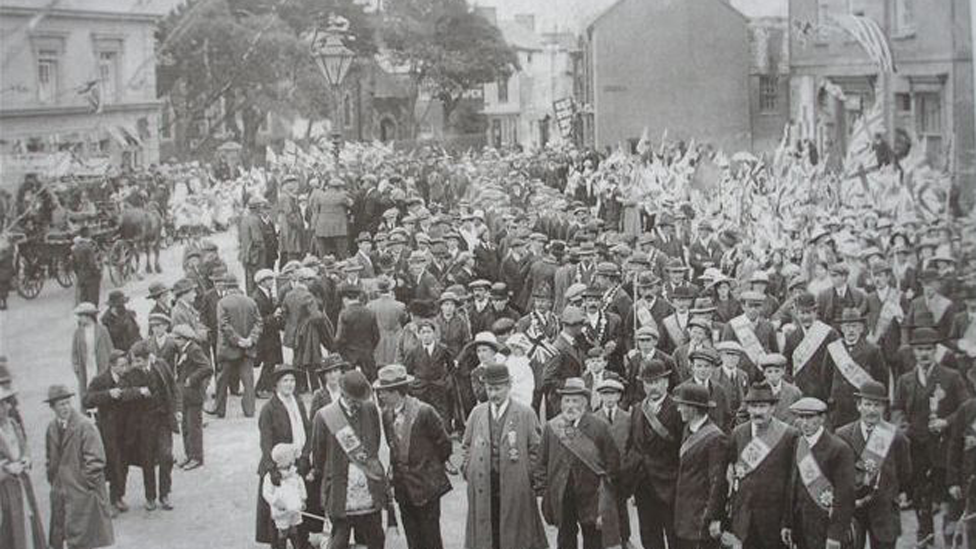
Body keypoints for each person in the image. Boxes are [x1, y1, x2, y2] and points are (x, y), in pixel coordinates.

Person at [891, 326, 970, 548]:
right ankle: (925, 538)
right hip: (916, 448)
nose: (923, 354)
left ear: (935, 350)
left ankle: (950, 539)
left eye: (927, 349)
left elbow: (967, 409)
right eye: (919, 350)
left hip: (944, 449)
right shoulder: (905, 380)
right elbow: (896, 408)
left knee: (947, 499)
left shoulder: (951, 377)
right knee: (920, 497)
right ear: (913, 352)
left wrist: (946, 422)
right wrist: (903, 426)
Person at [461, 363, 548, 549]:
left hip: (516, 487)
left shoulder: (525, 413)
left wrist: (527, 475)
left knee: (514, 535)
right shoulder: (477, 413)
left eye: (498, 388)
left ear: (509, 386)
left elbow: (537, 451)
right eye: (490, 388)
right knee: (486, 532)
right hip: (484, 485)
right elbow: (466, 445)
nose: (493, 394)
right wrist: (468, 468)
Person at [374, 364, 453, 549]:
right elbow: (392, 447)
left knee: (430, 537)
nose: (380, 396)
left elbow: (444, 444)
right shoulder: (386, 414)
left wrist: (429, 467)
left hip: (426, 486)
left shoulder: (424, 411)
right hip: (403, 488)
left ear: (396, 392)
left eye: (383, 391)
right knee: (413, 537)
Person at [539, 377, 622, 549]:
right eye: (566, 400)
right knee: (565, 538)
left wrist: (606, 494)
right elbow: (541, 463)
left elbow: (613, 462)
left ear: (584, 403)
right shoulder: (551, 427)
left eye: (575, 400)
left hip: (591, 495)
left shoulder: (599, 426)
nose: (570, 405)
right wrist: (544, 492)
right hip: (562, 494)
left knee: (593, 539)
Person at [312, 370, 388, 549]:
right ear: (343, 393)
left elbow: (374, 444)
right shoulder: (324, 416)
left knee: (376, 538)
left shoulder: (370, 409)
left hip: (368, 487)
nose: (357, 403)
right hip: (340, 489)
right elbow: (319, 456)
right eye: (353, 398)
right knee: (339, 541)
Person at [835, 380, 912, 549]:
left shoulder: (896, 437)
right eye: (867, 404)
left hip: (884, 509)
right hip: (853, 508)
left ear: (884, 408)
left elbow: (905, 472)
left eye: (877, 405)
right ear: (858, 406)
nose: (871, 410)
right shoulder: (842, 435)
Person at [725, 382, 798, 549]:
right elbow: (731, 470)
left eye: (763, 406)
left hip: (774, 520)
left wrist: (788, 521)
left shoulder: (789, 435)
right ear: (748, 408)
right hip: (744, 519)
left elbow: (791, 482)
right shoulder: (738, 433)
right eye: (753, 406)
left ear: (773, 408)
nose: (758, 412)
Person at [45, 384, 115, 549]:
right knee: (63, 535)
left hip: (83, 493)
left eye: (68, 403)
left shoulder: (85, 426)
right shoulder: (52, 428)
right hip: (61, 491)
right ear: (52, 407)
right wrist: (54, 479)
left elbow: (97, 460)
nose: (65, 408)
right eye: (61, 404)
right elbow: (50, 457)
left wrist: (84, 485)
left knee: (86, 539)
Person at [784, 397, 856, 549]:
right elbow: (792, 487)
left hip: (826, 528)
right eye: (801, 417)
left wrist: (835, 535)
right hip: (800, 525)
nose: (804, 422)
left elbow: (845, 496)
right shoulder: (798, 443)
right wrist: (787, 524)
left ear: (822, 418)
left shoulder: (839, 449)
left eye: (810, 417)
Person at [627, 358, 682, 549]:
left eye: (657, 381)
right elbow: (631, 447)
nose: (653, 387)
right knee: (649, 537)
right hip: (643, 486)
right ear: (643, 385)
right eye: (648, 382)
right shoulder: (635, 410)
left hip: (671, 485)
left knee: (675, 537)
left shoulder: (678, 409)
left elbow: (684, 449)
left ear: (666, 382)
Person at [256, 364, 312, 549]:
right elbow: (266, 443)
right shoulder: (269, 409)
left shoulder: (298, 402)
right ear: (277, 384)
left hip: (298, 464)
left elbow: (307, 428)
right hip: (279, 467)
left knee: (298, 512)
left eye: (292, 380)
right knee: (279, 514)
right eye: (285, 381)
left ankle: (301, 544)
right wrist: (273, 469)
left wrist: (304, 455)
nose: (290, 384)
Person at [672, 383, 728, 549]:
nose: (678, 409)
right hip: (685, 517)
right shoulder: (687, 429)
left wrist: (712, 517)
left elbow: (717, 483)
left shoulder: (715, 438)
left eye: (682, 405)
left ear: (693, 408)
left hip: (700, 519)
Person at [127, 340, 179, 511]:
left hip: (163, 419)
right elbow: (124, 393)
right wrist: (139, 392)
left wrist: (177, 409)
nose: (135, 364)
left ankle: (165, 494)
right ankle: (150, 497)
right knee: (147, 460)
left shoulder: (161, 366)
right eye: (134, 361)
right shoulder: (132, 373)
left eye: (139, 361)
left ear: (148, 357)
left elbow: (172, 386)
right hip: (143, 424)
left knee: (166, 456)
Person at [82, 349, 134, 514]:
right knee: (111, 464)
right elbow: (87, 400)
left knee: (124, 463)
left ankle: (118, 497)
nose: (125, 368)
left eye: (126, 364)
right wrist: (107, 394)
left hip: (126, 428)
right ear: (112, 366)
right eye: (121, 365)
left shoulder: (128, 377)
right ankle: (108, 503)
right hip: (108, 430)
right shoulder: (100, 380)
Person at [824, 307, 888, 428]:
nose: (851, 330)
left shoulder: (873, 350)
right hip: (839, 407)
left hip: (862, 407)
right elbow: (826, 377)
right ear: (842, 329)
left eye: (854, 326)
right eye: (847, 326)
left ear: (861, 328)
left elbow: (881, 379)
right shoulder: (833, 348)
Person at [0, 383, 45, 549]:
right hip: (4, 490)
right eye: (1, 404)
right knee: (9, 526)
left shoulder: (12, 423)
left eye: (5, 402)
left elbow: (24, 445)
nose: (5, 408)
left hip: (22, 483)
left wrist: (26, 458)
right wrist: (6, 468)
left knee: (29, 519)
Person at [214, 274, 263, 418]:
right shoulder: (250, 301)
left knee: (222, 381)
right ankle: (249, 410)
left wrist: (237, 340)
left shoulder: (223, 303)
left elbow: (224, 325)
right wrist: (250, 339)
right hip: (248, 348)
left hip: (229, 349)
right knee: (248, 381)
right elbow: (259, 323)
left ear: (226, 287)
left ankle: (220, 409)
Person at [594, 375, 633, 548]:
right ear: (600, 396)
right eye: (605, 394)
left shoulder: (627, 418)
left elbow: (631, 446)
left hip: (622, 472)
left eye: (613, 394)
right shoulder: (594, 418)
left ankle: (625, 539)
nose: (609, 399)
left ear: (619, 396)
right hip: (602, 473)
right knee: (604, 509)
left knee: (621, 507)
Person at [782, 291, 839, 402]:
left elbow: (837, 366)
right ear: (796, 314)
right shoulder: (792, 337)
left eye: (809, 313)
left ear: (815, 312)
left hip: (823, 393)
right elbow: (787, 367)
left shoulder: (829, 334)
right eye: (802, 313)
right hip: (799, 392)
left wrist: (832, 393)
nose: (805, 317)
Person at [172, 323, 212, 471]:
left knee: (194, 427)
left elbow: (207, 367)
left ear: (183, 338)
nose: (175, 342)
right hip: (185, 395)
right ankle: (189, 455)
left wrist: (192, 378)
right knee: (186, 427)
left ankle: (197, 457)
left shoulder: (194, 349)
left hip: (194, 394)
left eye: (176, 339)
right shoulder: (184, 349)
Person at [402, 318, 453, 422]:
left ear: (434, 333)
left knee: (440, 417)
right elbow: (408, 370)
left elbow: (451, 367)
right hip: (420, 389)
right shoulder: (413, 351)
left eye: (429, 332)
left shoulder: (442, 349)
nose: (426, 335)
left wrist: (444, 381)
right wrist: (414, 384)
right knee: (421, 416)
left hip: (438, 388)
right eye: (423, 332)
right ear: (419, 335)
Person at [261, 443, 307, 549]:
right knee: (283, 531)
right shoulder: (272, 477)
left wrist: (303, 499)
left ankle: (297, 547)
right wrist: (276, 502)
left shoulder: (294, 474)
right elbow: (266, 493)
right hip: (282, 510)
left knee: (294, 528)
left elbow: (301, 486)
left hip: (294, 508)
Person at [543, 306, 587, 417]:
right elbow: (547, 378)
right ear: (573, 326)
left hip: (571, 400)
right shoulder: (558, 347)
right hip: (560, 403)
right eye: (580, 324)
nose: (582, 327)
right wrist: (568, 383)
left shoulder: (574, 342)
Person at [334, 284, 381, 381]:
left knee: (349, 384)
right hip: (367, 355)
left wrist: (340, 351)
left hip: (349, 357)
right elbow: (376, 336)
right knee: (370, 382)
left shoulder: (344, 314)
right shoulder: (370, 312)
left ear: (345, 298)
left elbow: (340, 338)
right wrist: (369, 348)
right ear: (358, 297)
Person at [70, 302, 113, 405]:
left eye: (81, 316)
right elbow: (74, 353)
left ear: (89, 316)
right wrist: (77, 368)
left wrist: (110, 366)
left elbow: (110, 349)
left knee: (102, 390)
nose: (79, 319)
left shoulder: (102, 330)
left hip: (101, 366)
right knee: (88, 391)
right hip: (86, 368)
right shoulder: (78, 333)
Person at [252, 269, 284, 399]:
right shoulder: (257, 297)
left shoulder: (267, 294)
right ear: (262, 282)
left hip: (271, 334)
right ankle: (261, 388)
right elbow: (258, 319)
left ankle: (267, 386)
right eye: (269, 280)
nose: (272, 282)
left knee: (271, 362)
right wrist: (274, 316)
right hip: (265, 336)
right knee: (269, 362)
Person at [367, 278, 407, 368]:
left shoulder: (371, 306)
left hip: (378, 342)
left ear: (378, 291)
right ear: (390, 290)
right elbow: (404, 320)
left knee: (380, 369)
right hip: (396, 340)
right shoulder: (400, 306)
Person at [310, 178, 353, 258]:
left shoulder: (320, 196)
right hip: (339, 229)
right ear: (339, 187)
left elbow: (315, 212)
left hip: (322, 229)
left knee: (324, 255)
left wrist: (313, 227)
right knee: (342, 253)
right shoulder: (342, 196)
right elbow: (352, 205)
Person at [240, 196, 269, 295]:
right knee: (258, 280)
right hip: (256, 256)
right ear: (258, 208)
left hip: (246, 255)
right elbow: (258, 239)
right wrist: (263, 249)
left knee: (249, 281)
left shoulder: (245, 220)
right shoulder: (255, 220)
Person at [71, 230, 101, 306]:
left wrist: (78, 273)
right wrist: (97, 273)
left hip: (81, 275)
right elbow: (92, 264)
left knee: (83, 297)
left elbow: (73, 265)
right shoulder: (89, 248)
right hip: (90, 276)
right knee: (92, 299)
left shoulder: (75, 248)